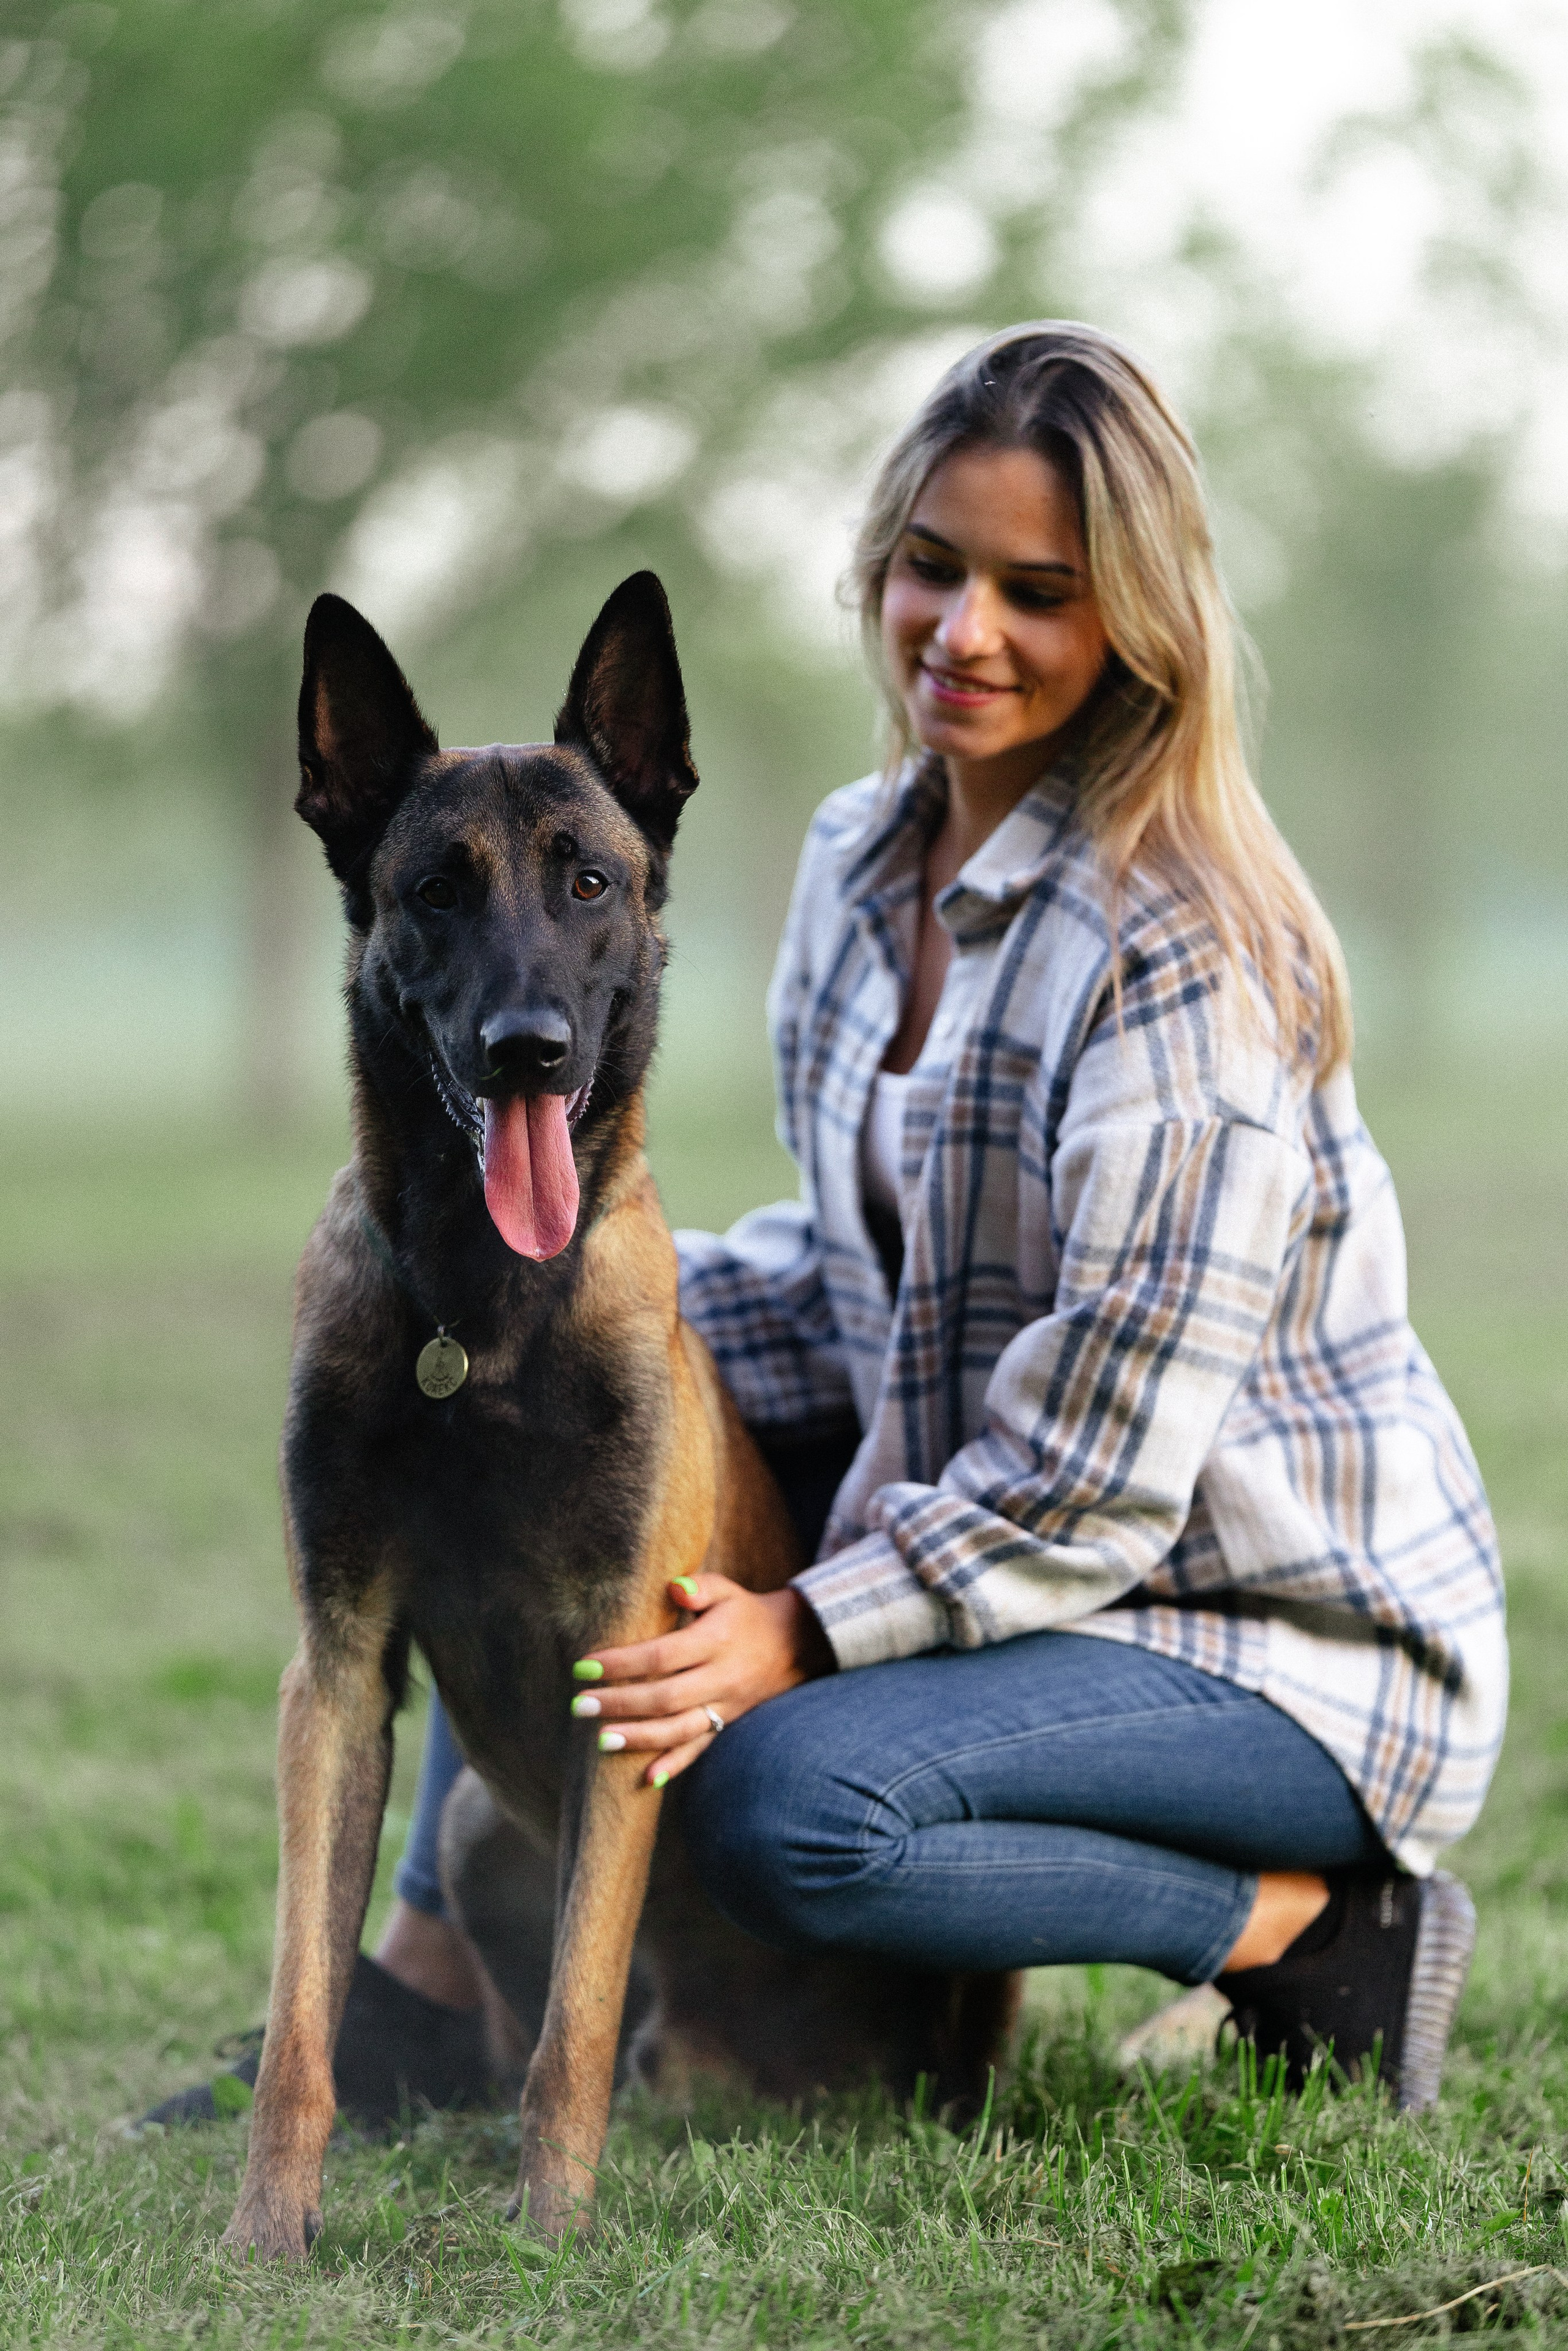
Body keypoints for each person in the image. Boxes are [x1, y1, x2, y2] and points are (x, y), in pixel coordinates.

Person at [147, 321, 1504, 2129]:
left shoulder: (1186, 952)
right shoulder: (871, 859)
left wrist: (802, 1634)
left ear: (1137, 624)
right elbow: (862, 1274)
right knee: (521, 1433)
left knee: (780, 1804)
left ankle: (1307, 1929)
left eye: (1041, 589)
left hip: (1262, 1635)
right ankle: (429, 1984)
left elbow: (1101, 1478)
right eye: (933, 569)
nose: (969, 631)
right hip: (1017, 1566)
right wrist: (569, 1318)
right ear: (881, 568)